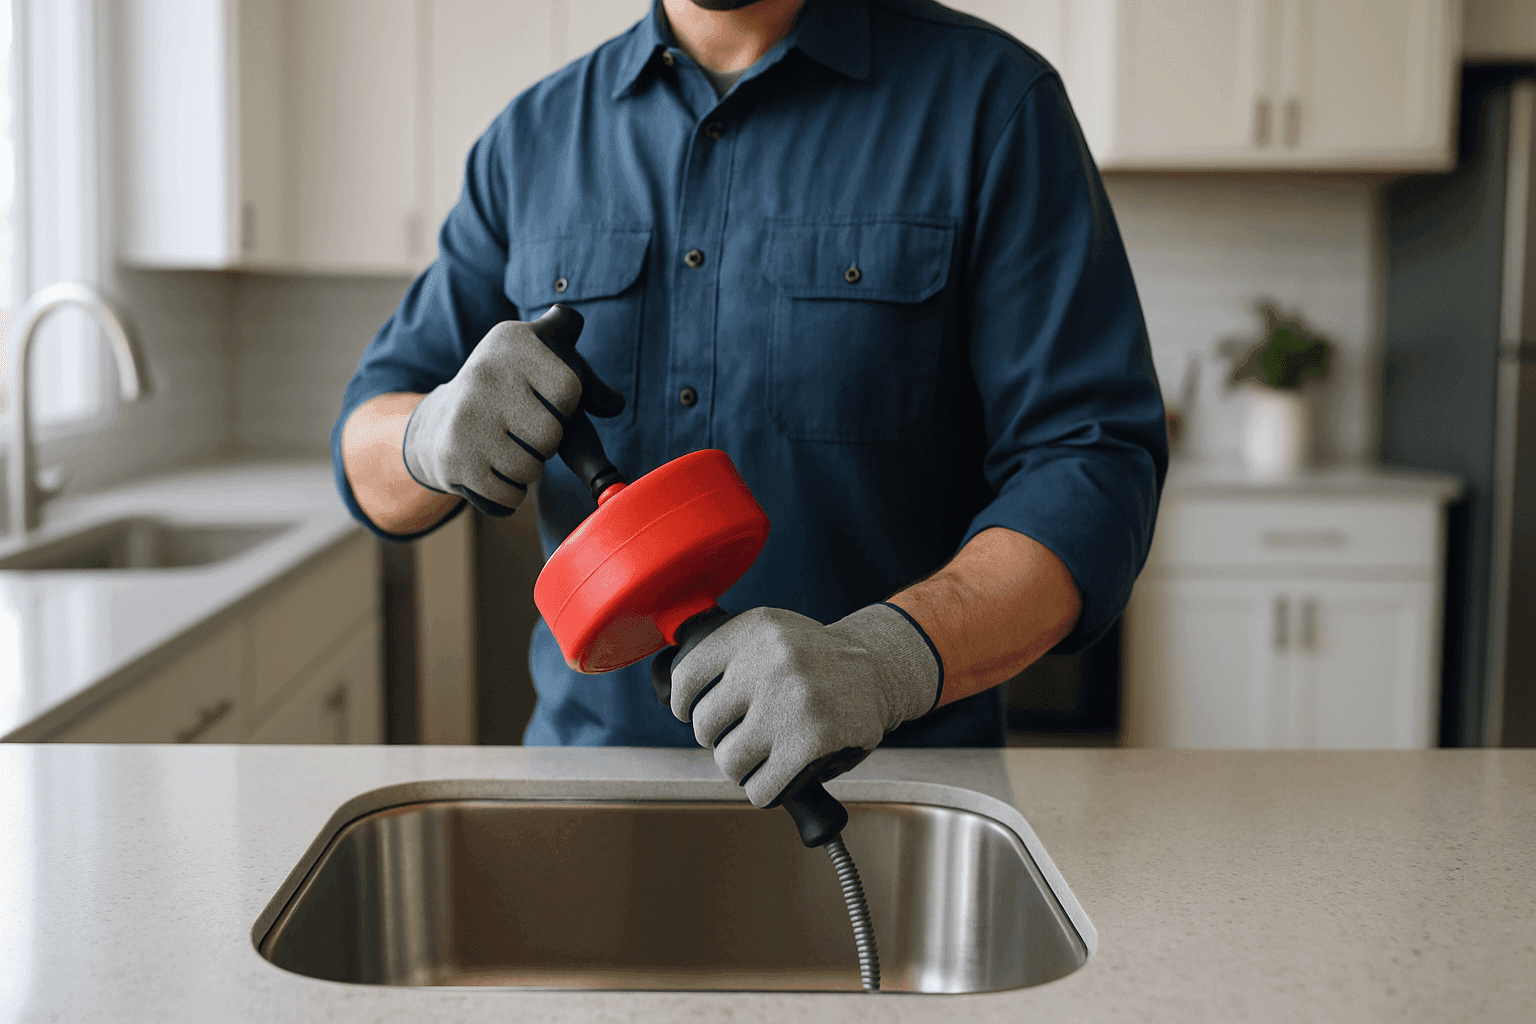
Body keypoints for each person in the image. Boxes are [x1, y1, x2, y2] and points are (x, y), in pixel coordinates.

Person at [335, 0, 1167, 809]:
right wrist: (425, 434)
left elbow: (1091, 466)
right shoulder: (530, 140)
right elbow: (366, 451)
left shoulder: (993, 103)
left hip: (894, 798)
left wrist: (885, 660)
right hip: (588, 792)